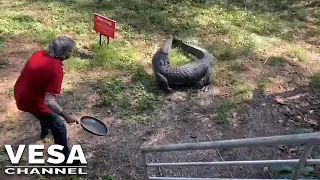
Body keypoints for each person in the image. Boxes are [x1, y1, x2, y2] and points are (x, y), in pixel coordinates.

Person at [14, 36, 78, 164]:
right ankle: (64, 158)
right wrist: (66, 116)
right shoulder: (56, 69)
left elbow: (23, 71)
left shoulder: (39, 53)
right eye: (70, 51)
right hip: (30, 100)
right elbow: (49, 101)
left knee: (45, 115)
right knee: (59, 125)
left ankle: (45, 131)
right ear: (64, 54)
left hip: (20, 90)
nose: (71, 54)